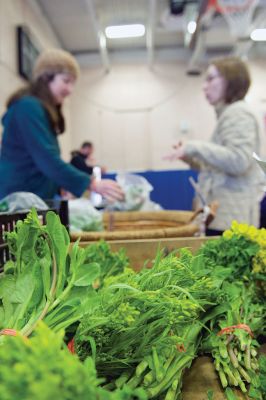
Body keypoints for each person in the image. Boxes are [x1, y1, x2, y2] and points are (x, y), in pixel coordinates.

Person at [0, 48, 123, 203]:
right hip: (18, 200)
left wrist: (59, 185)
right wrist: (91, 183)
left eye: (72, 83)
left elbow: (38, 161)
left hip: (33, 197)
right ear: (46, 78)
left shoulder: (37, 109)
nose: (70, 90)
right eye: (66, 81)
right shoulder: (28, 108)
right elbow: (46, 158)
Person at [166, 56, 264, 235]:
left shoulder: (238, 113)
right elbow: (218, 168)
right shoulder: (229, 114)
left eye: (211, 78)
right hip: (225, 218)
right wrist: (189, 157)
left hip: (232, 221)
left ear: (231, 81)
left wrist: (194, 147)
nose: (205, 86)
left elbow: (239, 161)